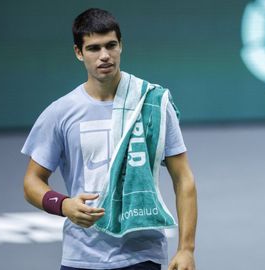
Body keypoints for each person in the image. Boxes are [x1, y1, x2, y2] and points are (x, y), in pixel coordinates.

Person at [22, 8, 197, 270]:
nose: (104, 56)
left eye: (111, 45)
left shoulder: (151, 103)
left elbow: (184, 179)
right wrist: (64, 205)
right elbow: (32, 181)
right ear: (78, 53)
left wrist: (186, 249)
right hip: (81, 256)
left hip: (142, 254)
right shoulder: (60, 112)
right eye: (93, 48)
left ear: (121, 46)